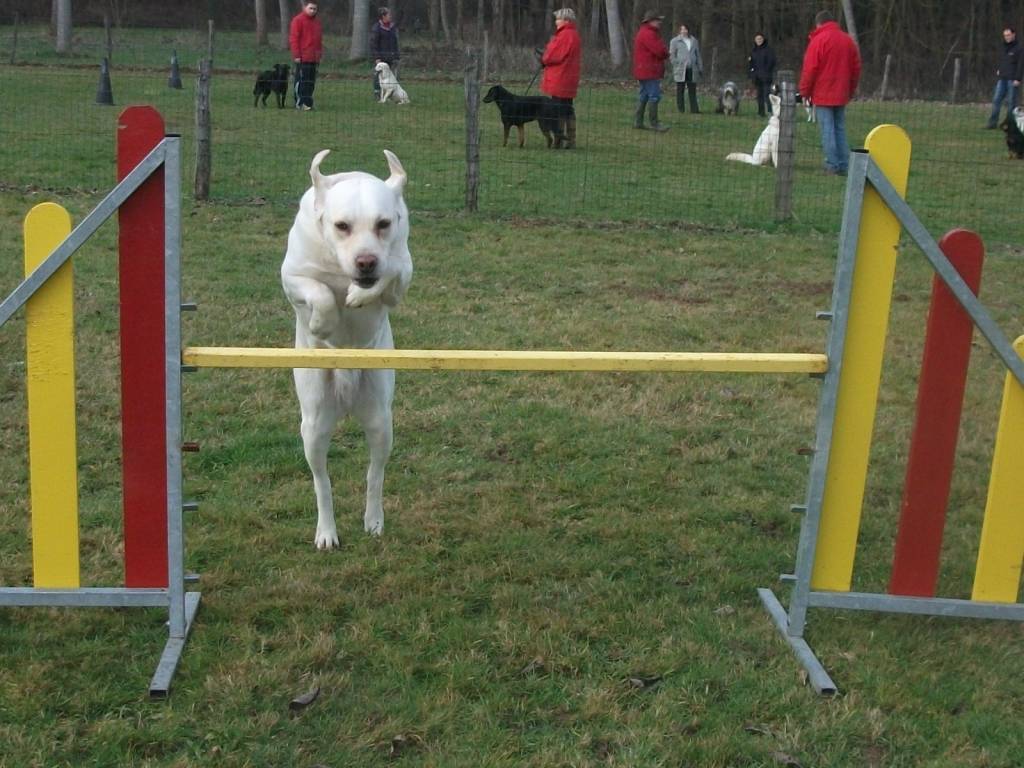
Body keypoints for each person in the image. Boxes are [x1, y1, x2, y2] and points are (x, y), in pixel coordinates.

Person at [799, 10, 861, 175]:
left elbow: (810, 69)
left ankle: (832, 164)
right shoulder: (847, 40)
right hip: (841, 92)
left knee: (827, 130)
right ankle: (844, 164)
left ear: (818, 24)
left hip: (822, 93)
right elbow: (856, 68)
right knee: (839, 129)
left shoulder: (818, 41)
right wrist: (850, 90)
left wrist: (805, 92)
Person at [540, 8, 582, 149]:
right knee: (568, 108)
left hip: (560, 77)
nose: (556, 22)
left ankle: (559, 140)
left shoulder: (565, 35)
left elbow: (553, 55)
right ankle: (571, 139)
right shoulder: (574, 35)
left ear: (566, 20)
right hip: (569, 77)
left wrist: (544, 58)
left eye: (558, 19)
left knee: (557, 109)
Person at [632, 10, 670, 132]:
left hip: (644, 69)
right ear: (651, 21)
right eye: (658, 20)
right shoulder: (649, 34)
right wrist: (666, 51)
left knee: (644, 95)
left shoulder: (644, 32)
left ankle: (638, 121)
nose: (660, 22)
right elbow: (660, 51)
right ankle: (654, 123)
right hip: (649, 70)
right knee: (654, 96)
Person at [985, 27, 1024, 129]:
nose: (1007, 37)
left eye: (1008, 35)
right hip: (1002, 78)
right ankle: (992, 123)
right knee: (996, 100)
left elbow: (1021, 64)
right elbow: (1002, 60)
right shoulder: (1003, 47)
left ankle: (1010, 124)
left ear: (1013, 35)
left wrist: (1018, 79)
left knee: (1011, 103)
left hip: (1013, 79)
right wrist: (999, 69)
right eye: (1005, 35)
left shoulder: (1019, 48)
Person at [289, 1, 323, 111]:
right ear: (304, 7)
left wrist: (318, 55)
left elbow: (318, 41)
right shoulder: (298, 20)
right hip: (303, 57)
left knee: (311, 82)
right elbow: (294, 39)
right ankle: (300, 103)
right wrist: (296, 55)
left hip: (313, 58)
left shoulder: (317, 22)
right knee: (302, 81)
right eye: (310, 8)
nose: (313, 11)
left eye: (315, 9)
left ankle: (308, 103)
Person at [669, 23, 703, 114]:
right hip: (681, 69)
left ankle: (694, 109)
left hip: (692, 69)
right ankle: (681, 110)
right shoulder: (675, 41)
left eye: (685, 29)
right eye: (682, 29)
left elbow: (698, 55)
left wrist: (700, 67)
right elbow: (672, 55)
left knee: (692, 90)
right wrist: (676, 64)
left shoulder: (694, 41)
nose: (684, 31)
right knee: (680, 89)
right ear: (679, 31)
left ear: (688, 30)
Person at [370, 7, 400, 101]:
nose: (390, 16)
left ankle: (389, 95)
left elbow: (395, 42)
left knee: (390, 76)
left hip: (390, 56)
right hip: (381, 57)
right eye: (388, 14)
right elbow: (373, 43)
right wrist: (377, 57)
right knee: (378, 75)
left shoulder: (392, 27)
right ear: (383, 16)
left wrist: (396, 55)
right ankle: (377, 93)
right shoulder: (377, 28)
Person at [748, 33, 777, 117]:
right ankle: (761, 112)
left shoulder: (768, 50)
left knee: (767, 95)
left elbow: (772, 61)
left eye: (760, 39)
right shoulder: (753, 51)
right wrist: (752, 73)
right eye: (757, 39)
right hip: (757, 77)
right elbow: (751, 64)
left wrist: (766, 71)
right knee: (759, 95)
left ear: (763, 39)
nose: (759, 40)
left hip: (766, 77)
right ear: (755, 40)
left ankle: (770, 111)